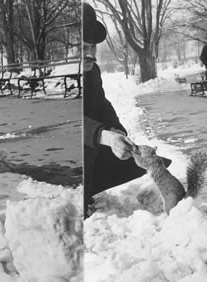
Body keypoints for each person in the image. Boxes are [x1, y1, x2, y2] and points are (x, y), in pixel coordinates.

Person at [83, 3, 171, 218]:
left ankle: (87, 190)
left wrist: (116, 131)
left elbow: (102, 104)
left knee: (140, 160)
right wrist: (105, 137)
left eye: (92, 48)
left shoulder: (92, 71)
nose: (90, 54)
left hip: (91, 144)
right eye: (83, 48)